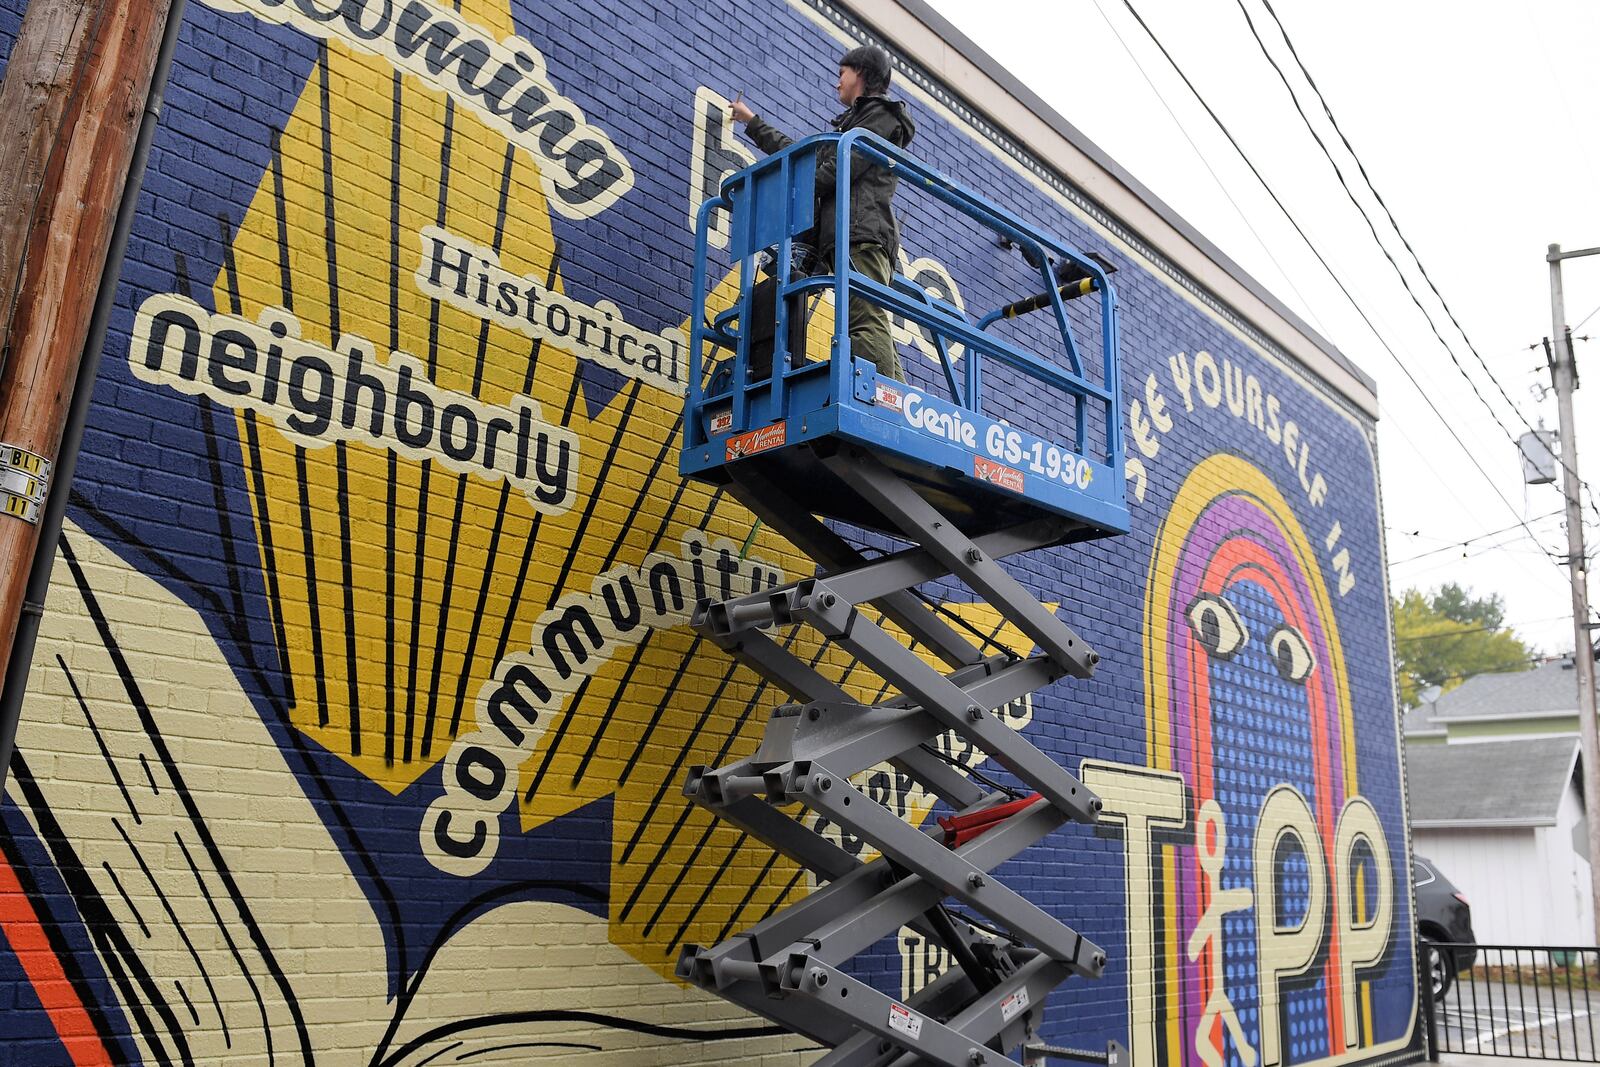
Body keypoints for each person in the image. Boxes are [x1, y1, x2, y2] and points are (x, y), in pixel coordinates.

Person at [730, 45, 916, 382]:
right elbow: (804, 158)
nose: (836, 83)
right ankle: (897, 399)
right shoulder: (850, 128)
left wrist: (797, 189)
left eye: (841, 73)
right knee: (864, 318)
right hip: (848, 236)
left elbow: (836, 170)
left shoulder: (880, 118)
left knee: (862, 320)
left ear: (861, 73)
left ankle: (880, 400)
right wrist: (753, 123)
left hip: (861, 235)